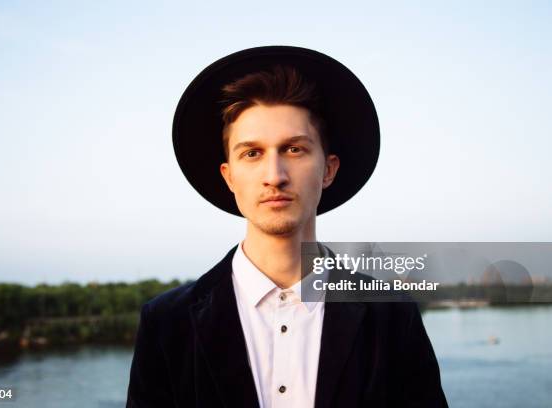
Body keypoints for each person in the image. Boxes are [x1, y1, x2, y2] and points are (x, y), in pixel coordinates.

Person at [126, 46, 448, 407]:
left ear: (328, 169)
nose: (274, 176)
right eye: (252, 153)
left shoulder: (391, 316)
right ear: (229, 176)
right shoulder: (167, 323)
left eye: (294, 149)